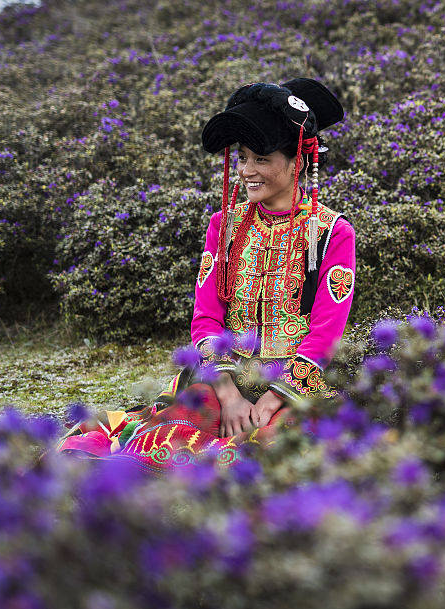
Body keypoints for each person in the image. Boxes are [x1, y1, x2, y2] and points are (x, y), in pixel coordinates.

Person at [57, 78, 356, 471]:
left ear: (297, 160)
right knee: (176, 427)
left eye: (261, 159)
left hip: (294, 385)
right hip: (223, 379)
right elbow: (206, 318)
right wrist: (228, 392)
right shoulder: (224, 226)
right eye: (243, 158)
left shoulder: (333, 233)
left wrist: (277, 395)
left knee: (280, 442)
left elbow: (326, 330)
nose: (246, 171)